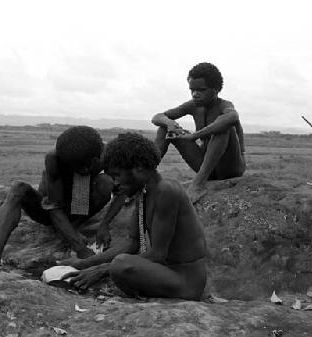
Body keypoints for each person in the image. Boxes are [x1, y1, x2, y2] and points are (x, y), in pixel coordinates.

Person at [59, 133, 207, 300]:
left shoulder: (166, 191)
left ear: (139, 168)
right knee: (120, 263)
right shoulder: (143, 193)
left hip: (186, 280)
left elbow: (158, 254)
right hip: (166, 273)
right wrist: (82, 264)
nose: (115, 183)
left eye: (117, 175)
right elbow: (132, 244)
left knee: (121, 264)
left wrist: (101, 270)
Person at [0, 125, 116, 270]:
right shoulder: (53, 158)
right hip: (50, 211)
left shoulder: (107, 154)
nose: (83, 170)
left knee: (106, 182)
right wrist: (80, 248)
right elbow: (54, 207)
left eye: (85, 165)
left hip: (82, 210)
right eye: (76, 166)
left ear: (96, 157)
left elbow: (123, 189)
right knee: (17, 188)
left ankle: (74, 225)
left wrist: (104, 225)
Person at [151, 62, 246, 203]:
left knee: (223, 127)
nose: (195, 94)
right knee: (164, 129)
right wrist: (169, 123)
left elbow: (232, 117)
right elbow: (157, 117)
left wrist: (195, 136)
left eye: (201, 90)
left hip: (230, 169)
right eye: (192, 90)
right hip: (207, 167)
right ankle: (144, 176)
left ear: (216, 89)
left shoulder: (224, 105)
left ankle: (198, 184)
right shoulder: (193, 105)